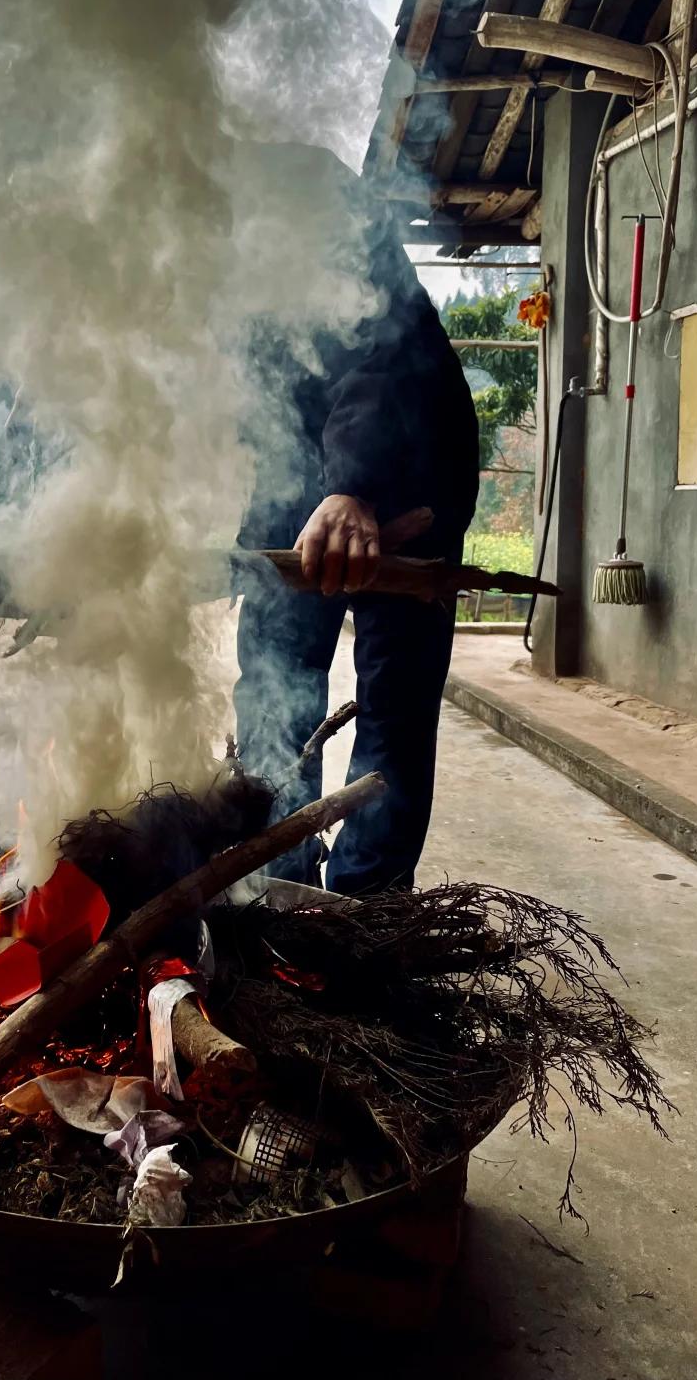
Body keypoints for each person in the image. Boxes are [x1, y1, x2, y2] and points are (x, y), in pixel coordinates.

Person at [233, 145, 479, 896]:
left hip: (404, 478)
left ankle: (364, 913)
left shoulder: (311, 197)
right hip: (296, 481)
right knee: (274, 677)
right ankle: (279, 890)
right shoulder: (181, 239)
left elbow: (385, 353)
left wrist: (354, 487)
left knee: (394, 709)